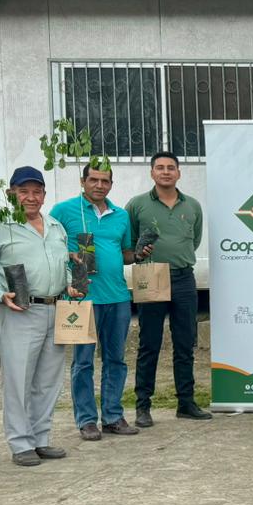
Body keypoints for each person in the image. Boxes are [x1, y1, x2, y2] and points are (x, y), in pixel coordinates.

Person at [0, 167, 74, 466]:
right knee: (18, 379)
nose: (31, 197)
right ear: (11, 194)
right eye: (23, 191)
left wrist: (70, 282)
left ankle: (40, 438)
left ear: (44, 194)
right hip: (20, 311)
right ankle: (20, 443)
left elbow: (64, 265)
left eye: (36, 191)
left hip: (55, 308)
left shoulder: (56, 226)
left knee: (48, 380)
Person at [51, 160, 141, 441]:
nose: (99, 185)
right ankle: (87, 420)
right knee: (83, 363)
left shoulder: (120, 215)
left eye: (105, 181)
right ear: (83, 181)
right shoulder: (63, 211)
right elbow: (49, 247)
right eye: (94, 180)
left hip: (118, 297)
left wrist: (139, 253)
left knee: (116, 359)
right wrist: (67, 258)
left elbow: (124, 253)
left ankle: (113, 416)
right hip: (81, 297)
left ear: (111, 184)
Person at [126, 151, 208, 425]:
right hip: (152, 276)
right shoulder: (137, 205)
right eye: (159, 167)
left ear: (178, 173)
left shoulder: (192, 206)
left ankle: (186, 403)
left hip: (184, 278)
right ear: (152, 173)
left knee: (185, 343)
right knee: (149, 343)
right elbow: (131, 242)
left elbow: (194, 241)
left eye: (171, 167)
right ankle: (143, 406)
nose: (165, 172)